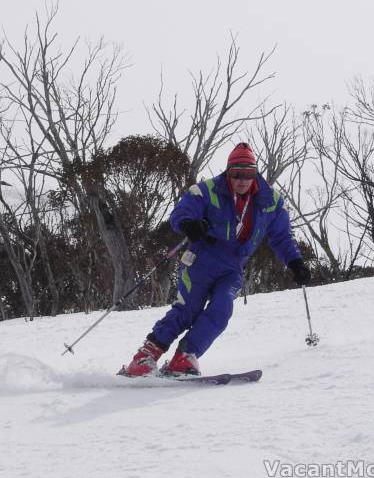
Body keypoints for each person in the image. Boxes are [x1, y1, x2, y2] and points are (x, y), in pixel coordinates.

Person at [122, 143, 311, 377]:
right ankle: (144, 357)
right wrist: (189, 224)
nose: (242, 180)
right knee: (188, 310)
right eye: (236, 174)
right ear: (228, 172)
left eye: (248, 174)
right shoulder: (208, 190)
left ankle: (184, 358)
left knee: (221, 310)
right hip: (202, 260)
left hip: (232, 268)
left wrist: (295, 263)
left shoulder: (270, 201)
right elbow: (182, 212)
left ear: (255, 173)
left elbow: (282, 237)